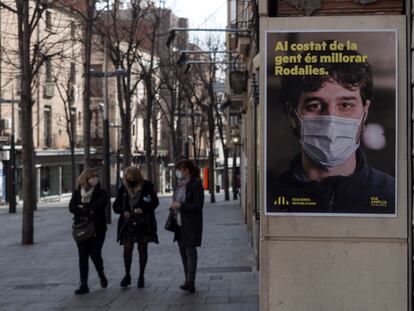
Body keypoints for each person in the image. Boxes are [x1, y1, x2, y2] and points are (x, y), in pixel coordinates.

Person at [271, 40, 395, 214]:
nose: (330, 120)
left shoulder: (393, 196)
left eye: (345, 105)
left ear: (365, 113)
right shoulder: (270, 200)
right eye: (314, 105)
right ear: (293, 115)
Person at [113, 166, 159, 288]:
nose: (130, 180)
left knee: (142, 249)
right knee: (127, 250)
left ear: (137, 176)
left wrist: (143, 209)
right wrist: (124, 211)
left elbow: (155, 202)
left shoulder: (147, 186)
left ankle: (141, 276)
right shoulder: (123, 189)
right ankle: (127, 275)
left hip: (143, 223)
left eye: (132, 177)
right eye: (128, 178)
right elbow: (116, 206)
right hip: (128, 224)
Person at [69, 168, 108, 295]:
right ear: (86, 178)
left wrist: (82, 207)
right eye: (93, 176)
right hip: (82, 228)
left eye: (96, 176)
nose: (95, 178)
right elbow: (72, 207)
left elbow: (100, 205)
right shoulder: (77, 192)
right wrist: (88, 209)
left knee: (95, 254)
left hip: (98, 228)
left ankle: (101, 274)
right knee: (83, 257)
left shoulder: (101, 192)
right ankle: (84, 285)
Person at [171, 160, 204, 293]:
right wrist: (174, 206)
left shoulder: (196, 186)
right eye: (179, 170)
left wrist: (181, 206)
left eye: (183, 170)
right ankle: (187, 279)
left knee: (190, 252)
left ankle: (190, 281)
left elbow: (198, 206)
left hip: (190, 223)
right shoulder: (179, 186)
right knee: (183, 252)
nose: (180, 172)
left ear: (189, 170)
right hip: (179, 224)